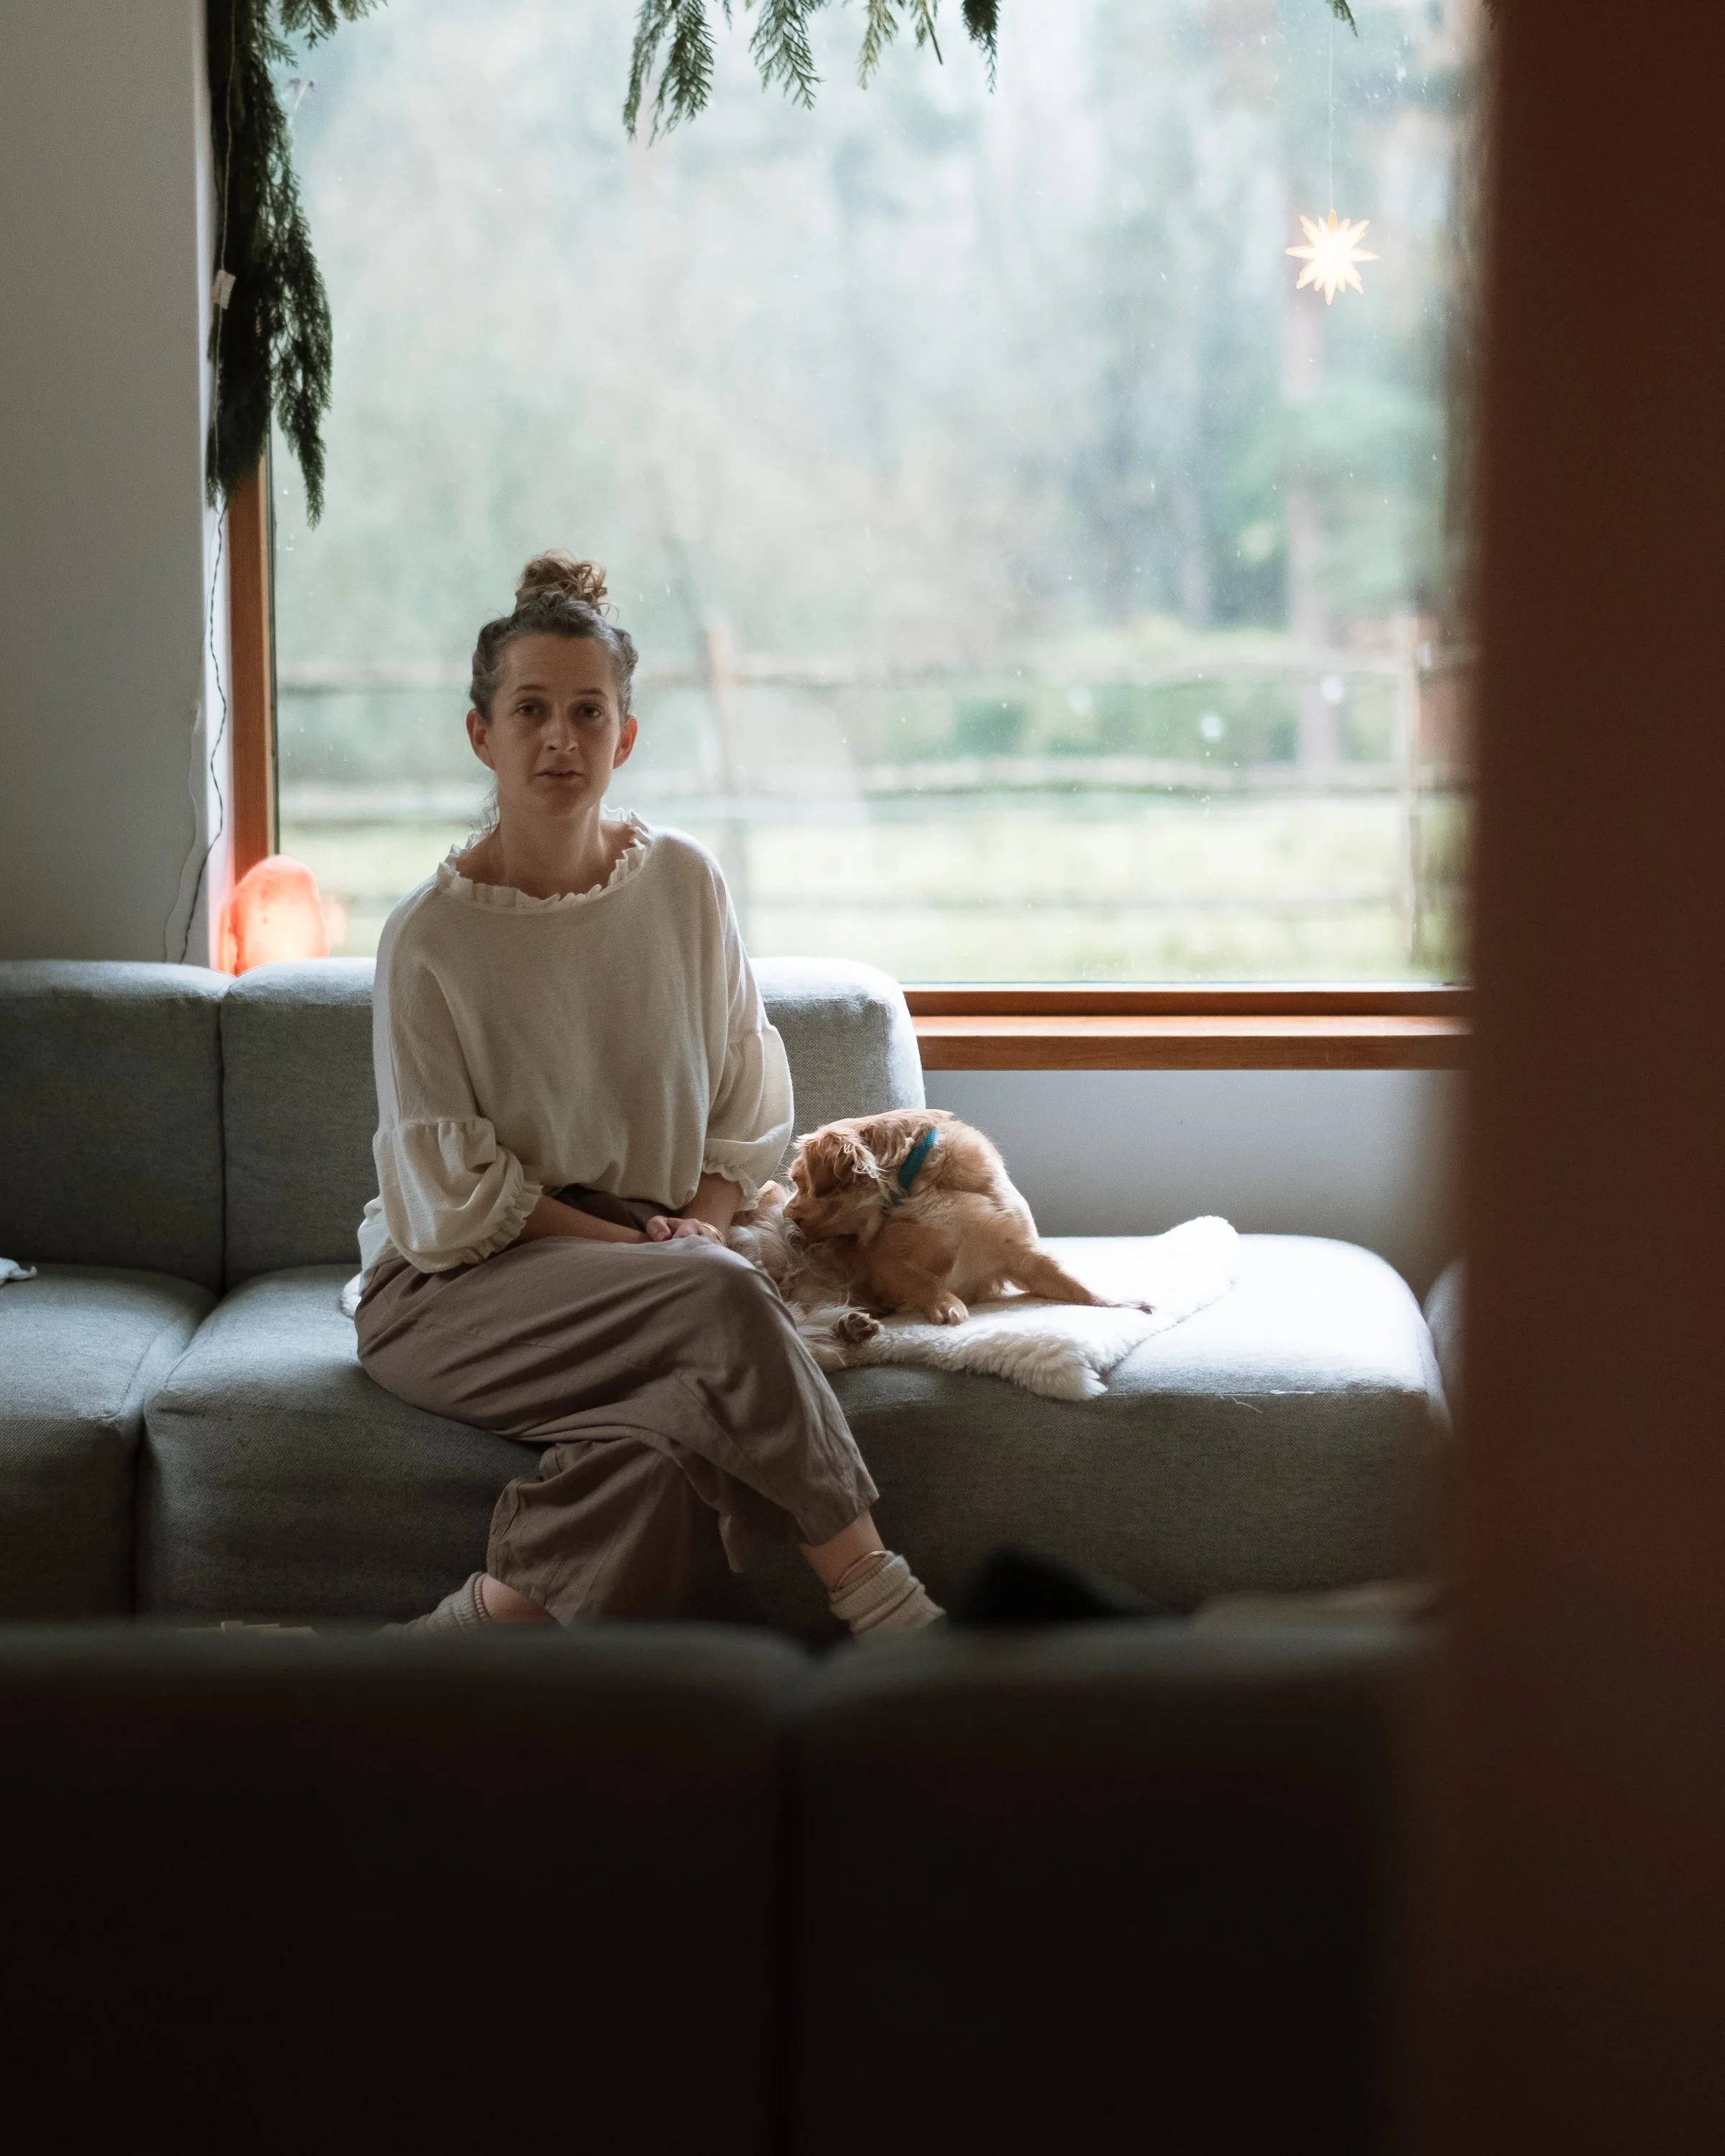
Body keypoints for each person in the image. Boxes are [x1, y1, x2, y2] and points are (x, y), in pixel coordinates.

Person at [352, 552, 941, 1636]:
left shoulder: (684, 885)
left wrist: (701, 1227)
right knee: (719, 1306)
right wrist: (665, 1260)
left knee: (664, 1442)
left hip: (658, 1255)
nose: (560, 738)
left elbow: (743, 1103)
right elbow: (454, 1194)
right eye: (530, 710)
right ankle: (882, 1600)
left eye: (589, 712)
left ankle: (446, 1647)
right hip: (461, 1284)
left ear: (626, 737)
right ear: (481, 734)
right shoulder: (427, 941)